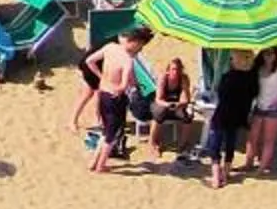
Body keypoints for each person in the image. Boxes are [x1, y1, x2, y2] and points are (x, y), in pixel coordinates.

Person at [73, 25, 151, 173]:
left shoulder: (110, 47)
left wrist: (101, 76)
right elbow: (124, 84)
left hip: (103, 93)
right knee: (112, 134)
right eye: (140, 46)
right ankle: (101, 166)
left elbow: (89, 61)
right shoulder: (127, 60)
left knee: (106, 131)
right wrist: (130, 87)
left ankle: (93, 162)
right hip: (115, 99)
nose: (139, 50)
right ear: (135, 42)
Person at [206, 52, 260, 188]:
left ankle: (216, 177)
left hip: (223, 114)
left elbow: (220, 94)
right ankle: (225, 174)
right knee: (230, 144)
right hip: (238, 116)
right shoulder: (252, 80)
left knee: (215, 145)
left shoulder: (228, 77)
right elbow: (253, 96)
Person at [246, 46, 277, 173]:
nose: (269, 56)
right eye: (266, 53)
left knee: (268, 140)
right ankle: (248, 164)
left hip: (274, 109)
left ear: (276, 54)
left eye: (271, 53)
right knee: (252, 138)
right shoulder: (257, 68)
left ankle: (261, 168)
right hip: (259, 106)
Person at [149, 55, 200, 160]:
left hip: (177, 105)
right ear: (168, 70)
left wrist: (178, 105)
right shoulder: (163, 78)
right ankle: (153, 143)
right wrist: (167, 105)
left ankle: (182, 145)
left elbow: (186, 99)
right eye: (173, 69)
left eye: (178, 69)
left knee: (188, 116)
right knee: (159, 113)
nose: (175, 72)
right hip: (163, 104)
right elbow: (158, 99)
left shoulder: (184, 79)